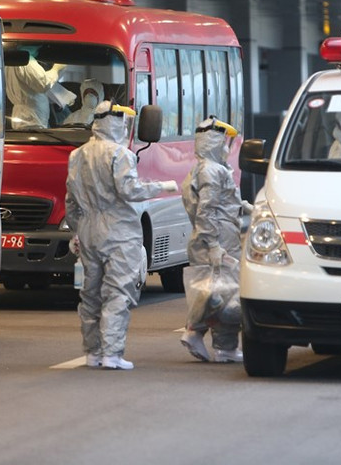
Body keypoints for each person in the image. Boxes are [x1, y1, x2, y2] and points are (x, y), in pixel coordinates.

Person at [65, 101, 179, 370]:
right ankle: (112, 354)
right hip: (119, 231)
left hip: (89, 230)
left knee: (91, 293)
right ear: (117, 122)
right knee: (118, 291)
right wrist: (161, 187)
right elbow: (130, 191)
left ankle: (93, 352)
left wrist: (77, 230)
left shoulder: (77, 155)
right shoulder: (121, 155)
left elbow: (71, 201)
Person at [180, 116, 250, 363]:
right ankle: (195, 331)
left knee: (219, 292)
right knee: (225, 295)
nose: (227, 147)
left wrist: (243, 206)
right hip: (218, 238)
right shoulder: (212, 170)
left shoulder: (204, 168)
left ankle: (224, 347)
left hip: (213, 236)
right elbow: (207, 209)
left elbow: (218, 202)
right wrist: (213, 245)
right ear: (214, 141)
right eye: (224, 141)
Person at [5, 47, 75, 127]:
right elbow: (43, 84)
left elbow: (36, 82)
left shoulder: (14, 61)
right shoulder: (27, 61)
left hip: (26, 116)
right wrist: (56, 69)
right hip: (31, 117)